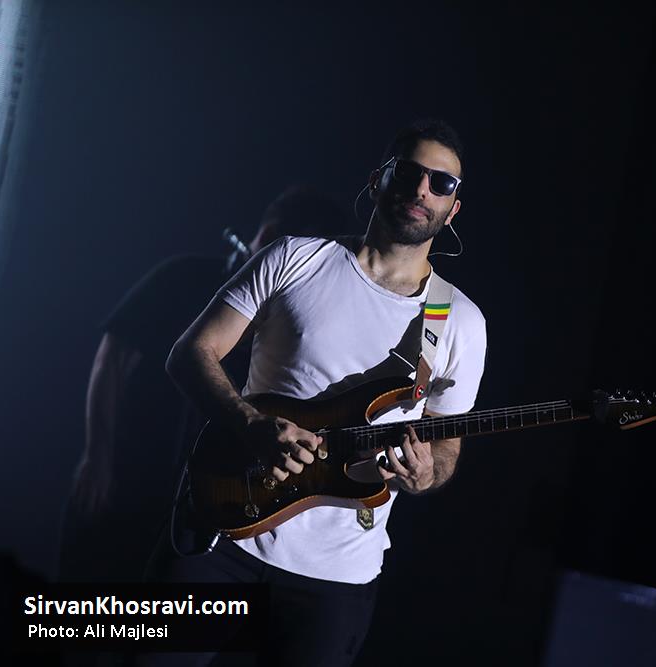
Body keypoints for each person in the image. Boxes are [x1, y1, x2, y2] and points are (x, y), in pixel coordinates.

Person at [143, 119, 487, 666]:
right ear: (378, 179)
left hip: (336, 576)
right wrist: (250, 424)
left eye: (441, 183)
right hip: (224, 531)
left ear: (453, 209)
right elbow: (189, 354)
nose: (423, 190)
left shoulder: (460, 321)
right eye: (408, 173)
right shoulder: (295, 258)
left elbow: (446, 445)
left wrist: (427, 474)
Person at [58, 185, 349, 584]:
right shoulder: (183, 275)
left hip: (202, 489)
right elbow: (111, 361)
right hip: (129, 465)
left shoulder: (292, 323)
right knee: (83, 592)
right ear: (267, 235)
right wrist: (97, 456)